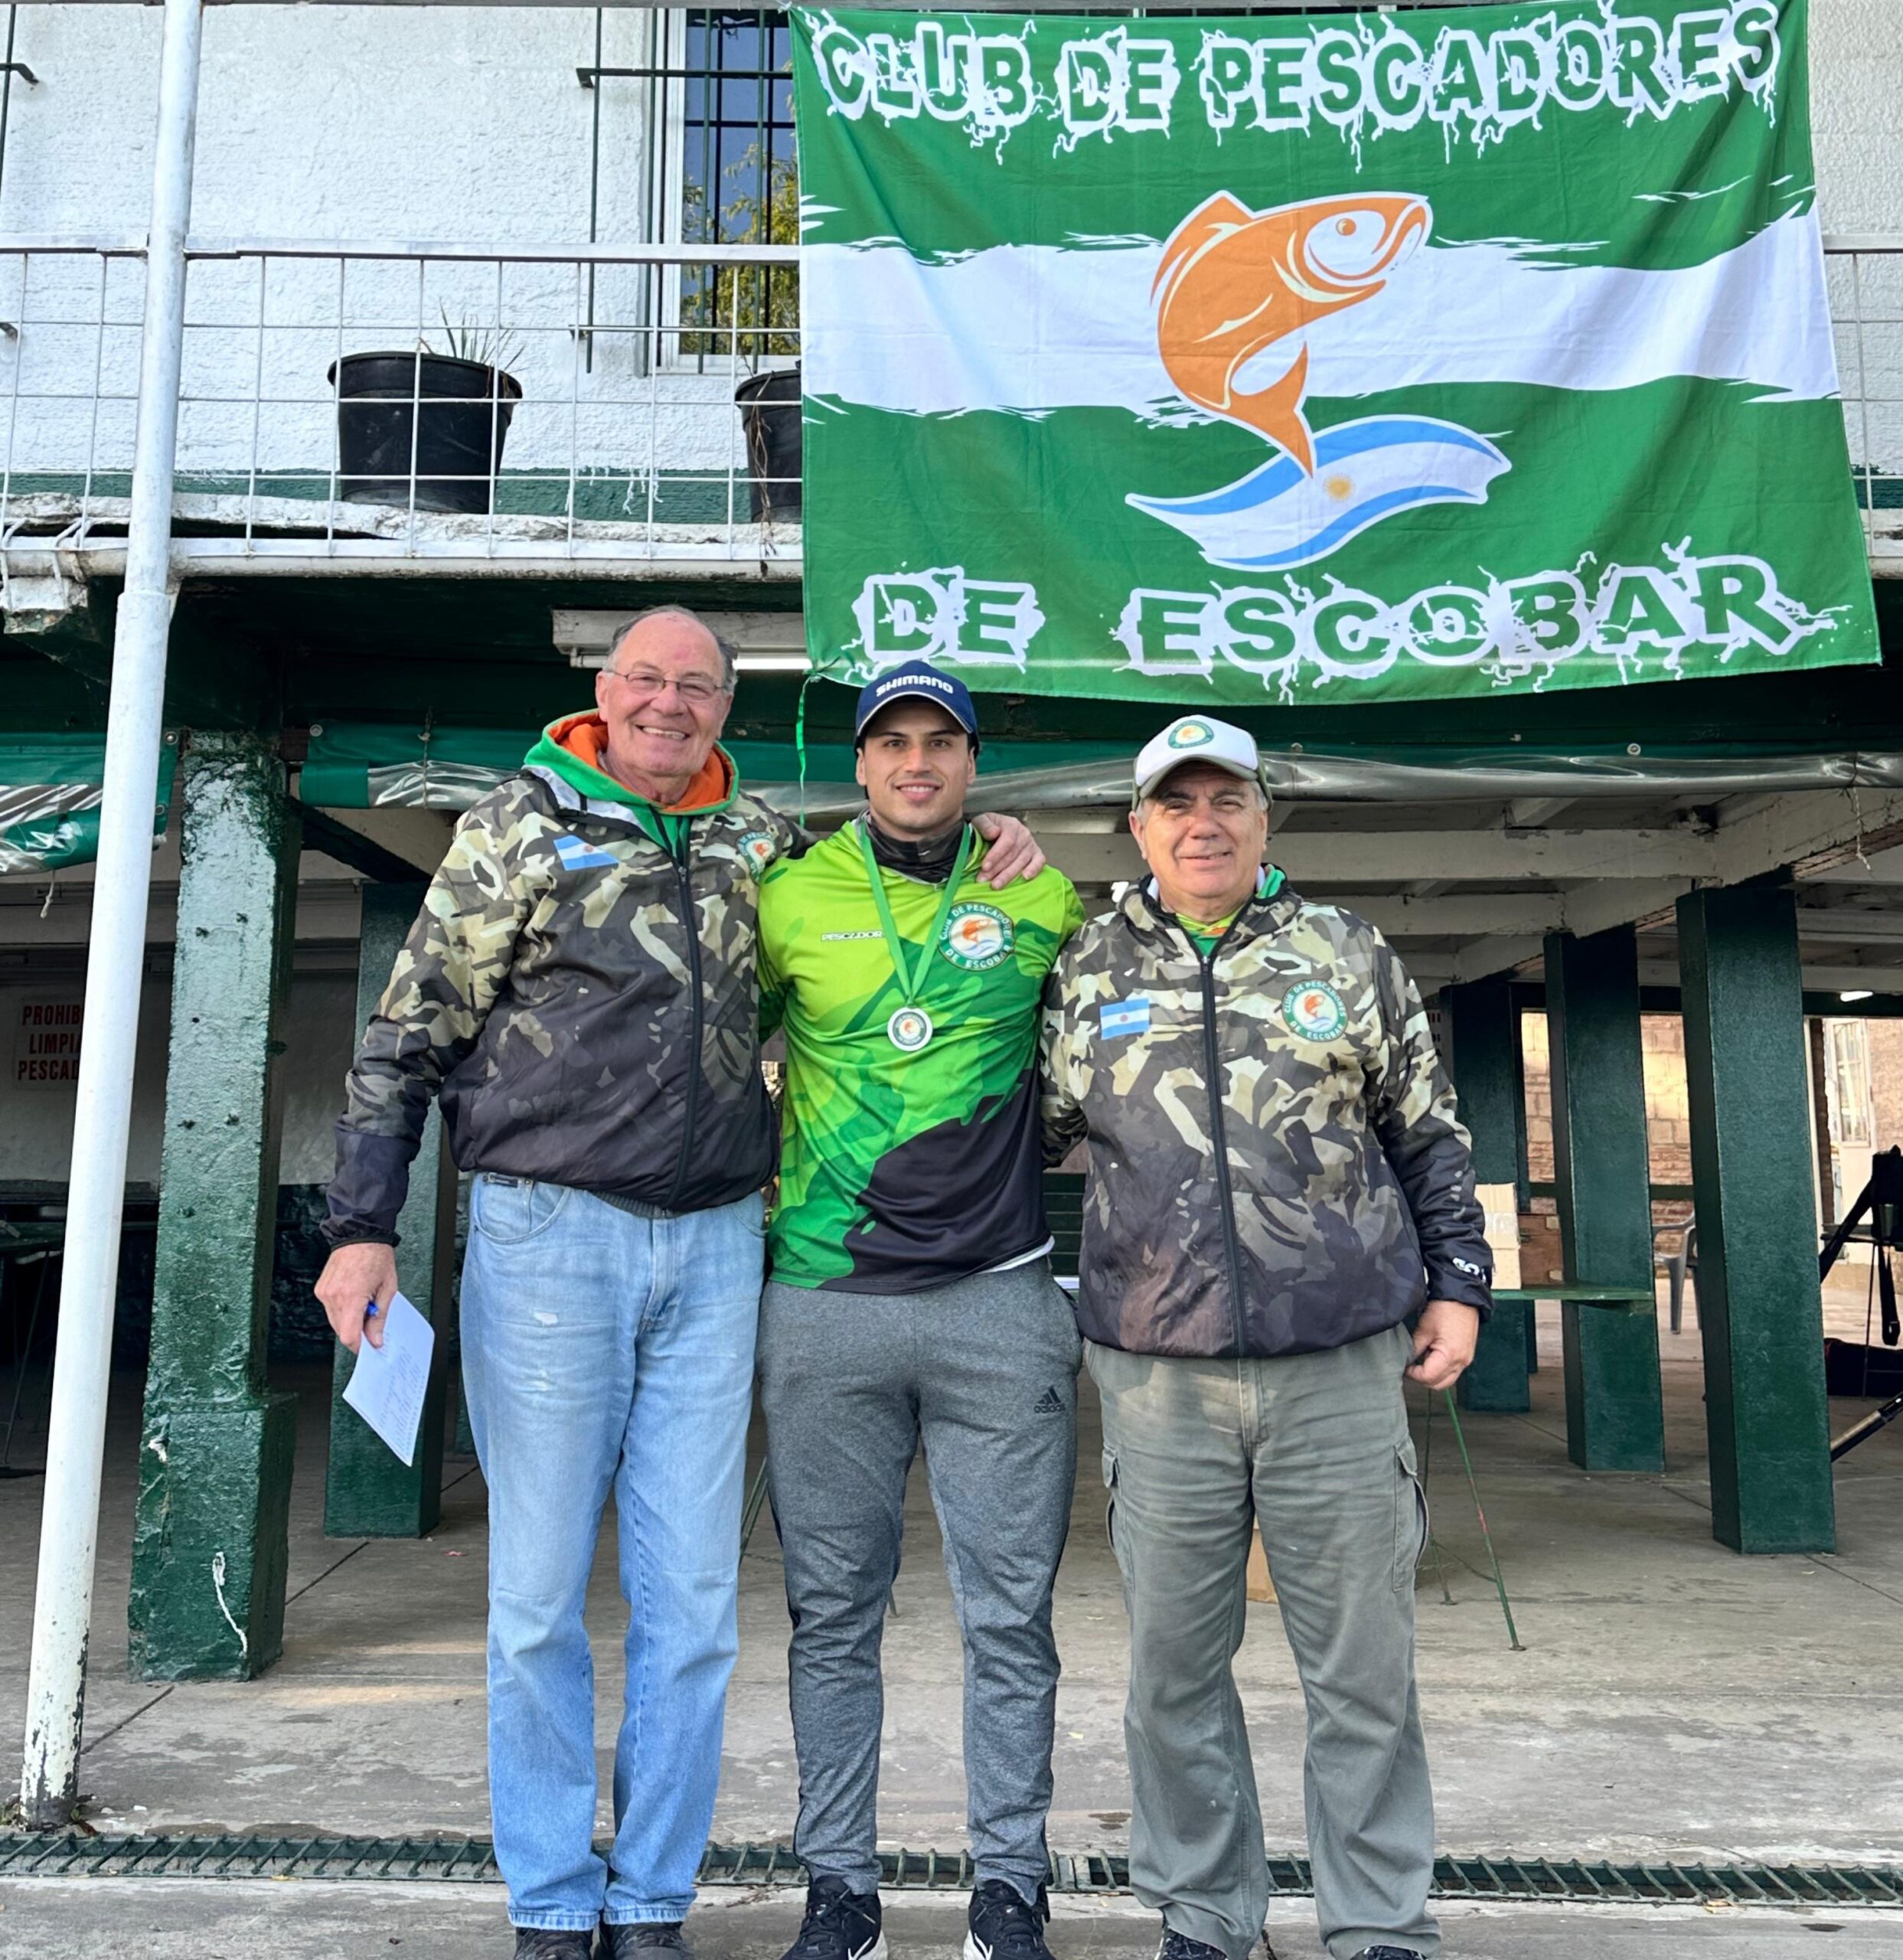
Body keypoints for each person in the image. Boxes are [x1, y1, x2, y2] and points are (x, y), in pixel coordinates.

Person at [312, 612, 1044, 1960]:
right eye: (645, 680)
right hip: (551, 1237)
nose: (668, 703)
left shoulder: (758, 843)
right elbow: (409, 1028)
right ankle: (551, 1897)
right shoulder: (517, 824)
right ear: (603, 693)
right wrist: (362, 1225)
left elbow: (884, 890)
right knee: (538, 1598)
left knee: (695, 1606)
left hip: (714, 1246)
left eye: (695, 685)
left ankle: (652, 1897)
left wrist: (997, 845)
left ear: (723, 707)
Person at [1040, 714, 1492, 1960]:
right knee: (1172, 1675)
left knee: (1361, 1673)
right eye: (1176, 804)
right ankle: (1202, 1916)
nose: (1204, 824)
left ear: (1263, 817)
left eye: (1226, 799)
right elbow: (1026, 1133)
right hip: (1155, 1373)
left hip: (1336, 1361)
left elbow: (1426, 1130)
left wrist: (1459, 1282)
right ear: (1137, 828)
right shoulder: (1086, 966)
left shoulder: (1344, 949)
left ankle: (1378, 1923)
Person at [755, 661, 1085, 1960]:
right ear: (859, 764)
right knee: (831, 1616)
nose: (914, 762)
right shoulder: (790, 896)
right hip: (826, 1304)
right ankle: (839, 1889)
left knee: (1010, 1618)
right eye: (890, 741)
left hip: (997, 1303)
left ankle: (1010, 1886)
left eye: (939, 741)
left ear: (971, 762)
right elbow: (709, 1057)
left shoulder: (1036, 893)